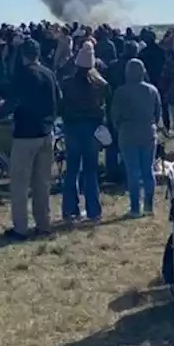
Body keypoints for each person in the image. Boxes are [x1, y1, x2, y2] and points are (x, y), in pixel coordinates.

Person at [4, 37, 59, 240]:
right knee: (42, 183)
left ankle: (21, 228)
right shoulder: (49, 73)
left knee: (19, 183)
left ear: (23, 55)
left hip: (25, 134)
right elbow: (58, 99)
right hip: (46, 133)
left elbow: (11, 101)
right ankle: (44, 224)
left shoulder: (22, 75)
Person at [60, 41, 107, 224]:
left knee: (72, 170)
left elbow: (61, 106)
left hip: (72, 128)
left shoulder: (67, 83)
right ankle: (94, 211)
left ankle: (70, 210)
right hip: (92, 129)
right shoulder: (101, 85)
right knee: (91, 170)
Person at [112, 56, 162, 217]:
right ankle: (149, 205)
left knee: (132, 171)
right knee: (148, 170)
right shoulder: (152, 90)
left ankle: (134, 208)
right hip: (148, 131)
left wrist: (119, 127)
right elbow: (158, 112)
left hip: (128, 133)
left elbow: (115, 116)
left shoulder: (121, 92)